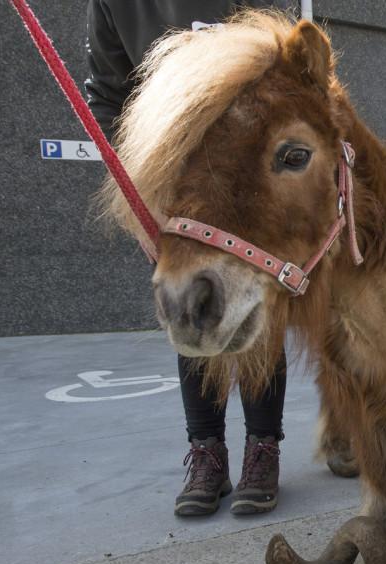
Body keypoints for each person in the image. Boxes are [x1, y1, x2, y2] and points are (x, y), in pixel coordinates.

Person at [84, 0, 297, 517]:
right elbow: (109, 97)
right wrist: (136, 195)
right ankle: (207, 452)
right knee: (189, 310)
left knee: (255, 316)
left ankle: (262, 449)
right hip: (173, 188)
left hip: (246, 187)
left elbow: (285, 81)